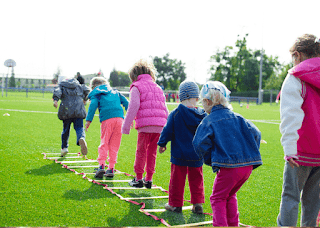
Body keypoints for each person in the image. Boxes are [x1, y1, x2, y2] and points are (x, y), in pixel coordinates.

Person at [192, 81, 262, 227]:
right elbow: (257, 134)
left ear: (207, 101)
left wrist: (210, 159)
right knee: (230, 195)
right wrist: (250, 153)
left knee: (217, 198)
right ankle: (233, 224)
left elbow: (198, 143)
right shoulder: (239, 117)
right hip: (247, 167)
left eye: (203, 102)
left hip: (228, 167)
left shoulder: (209, 120)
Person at [277, 34, 320, 227]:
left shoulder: (295, 77)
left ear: (298, 55)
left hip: (300, 152)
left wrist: (289, 148)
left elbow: (290, 116)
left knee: (291, 197)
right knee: (313, 201)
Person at [158, 80, 207, 214]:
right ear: (197, 98)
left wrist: (162, 144)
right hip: (197, 154)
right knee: (197, 179)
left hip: (179, 154)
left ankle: (175, 204)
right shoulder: (203, 115)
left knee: (177, 180)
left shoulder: (175, 113)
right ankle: (197, 204)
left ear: (179, 97)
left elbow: (167, 130)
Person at [122, 59, 169, 188]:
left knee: (141, 151)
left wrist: (126, 126)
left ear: (134, 76)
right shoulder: (158, 87)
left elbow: (134, 105)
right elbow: (165, 108)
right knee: (152, 153)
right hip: (160, 126)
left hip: (145, 126)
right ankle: (148, 179)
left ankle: (138, 179)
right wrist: (168, 128)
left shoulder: (136, 87)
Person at [85, 77, 129, 178]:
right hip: (120, 119)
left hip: (107, 119)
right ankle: (111, 168)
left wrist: (88, 120)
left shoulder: (97, 93)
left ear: (93, 86)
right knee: (115, 144)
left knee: (104, 142)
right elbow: (127, 103)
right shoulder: (115, 92)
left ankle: (101, 166)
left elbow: (93, 105)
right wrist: (131, 117)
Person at [53, 76, 90, 157]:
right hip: (79, 109)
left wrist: (55, 100)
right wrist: (85, 99)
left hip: (66, 110)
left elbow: (57, 91)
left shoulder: (62, 86)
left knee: (66, 129)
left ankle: (64, 148)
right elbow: (87, 90)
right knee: (79, 127)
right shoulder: (78, 85)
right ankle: (81, 138)